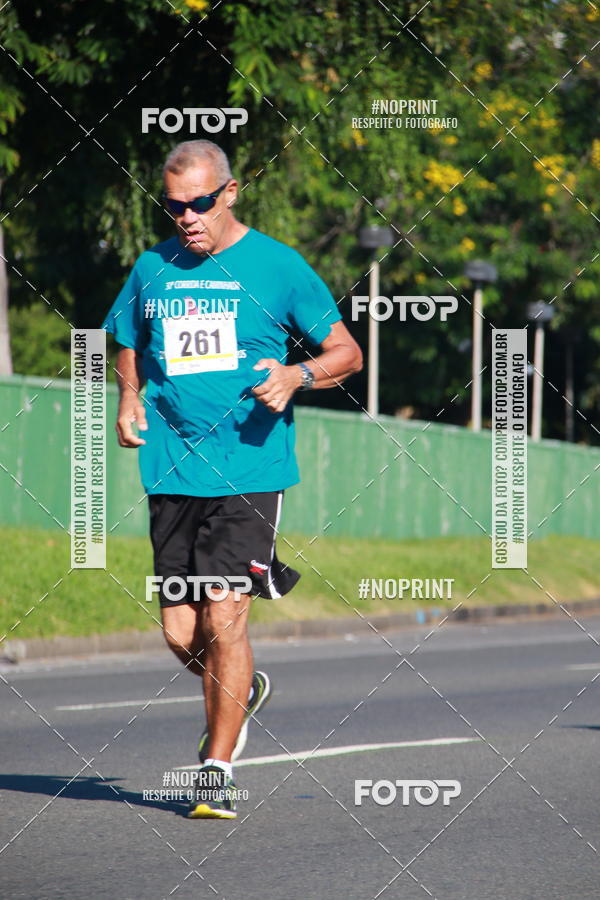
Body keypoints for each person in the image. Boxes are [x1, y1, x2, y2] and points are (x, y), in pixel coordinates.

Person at [103, 139, 362, 819]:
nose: (186, 217)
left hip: (251, 466)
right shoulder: (153, 267)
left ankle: (216, 770)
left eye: (199, 203)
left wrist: (295, 373)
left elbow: (346, 352)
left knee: (225, 611)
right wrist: (129, 398)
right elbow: (127, 338)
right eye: (172, 206)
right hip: (172, 467)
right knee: (181, 633)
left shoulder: (278, 267)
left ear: (231, 192)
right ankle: (240, 688)